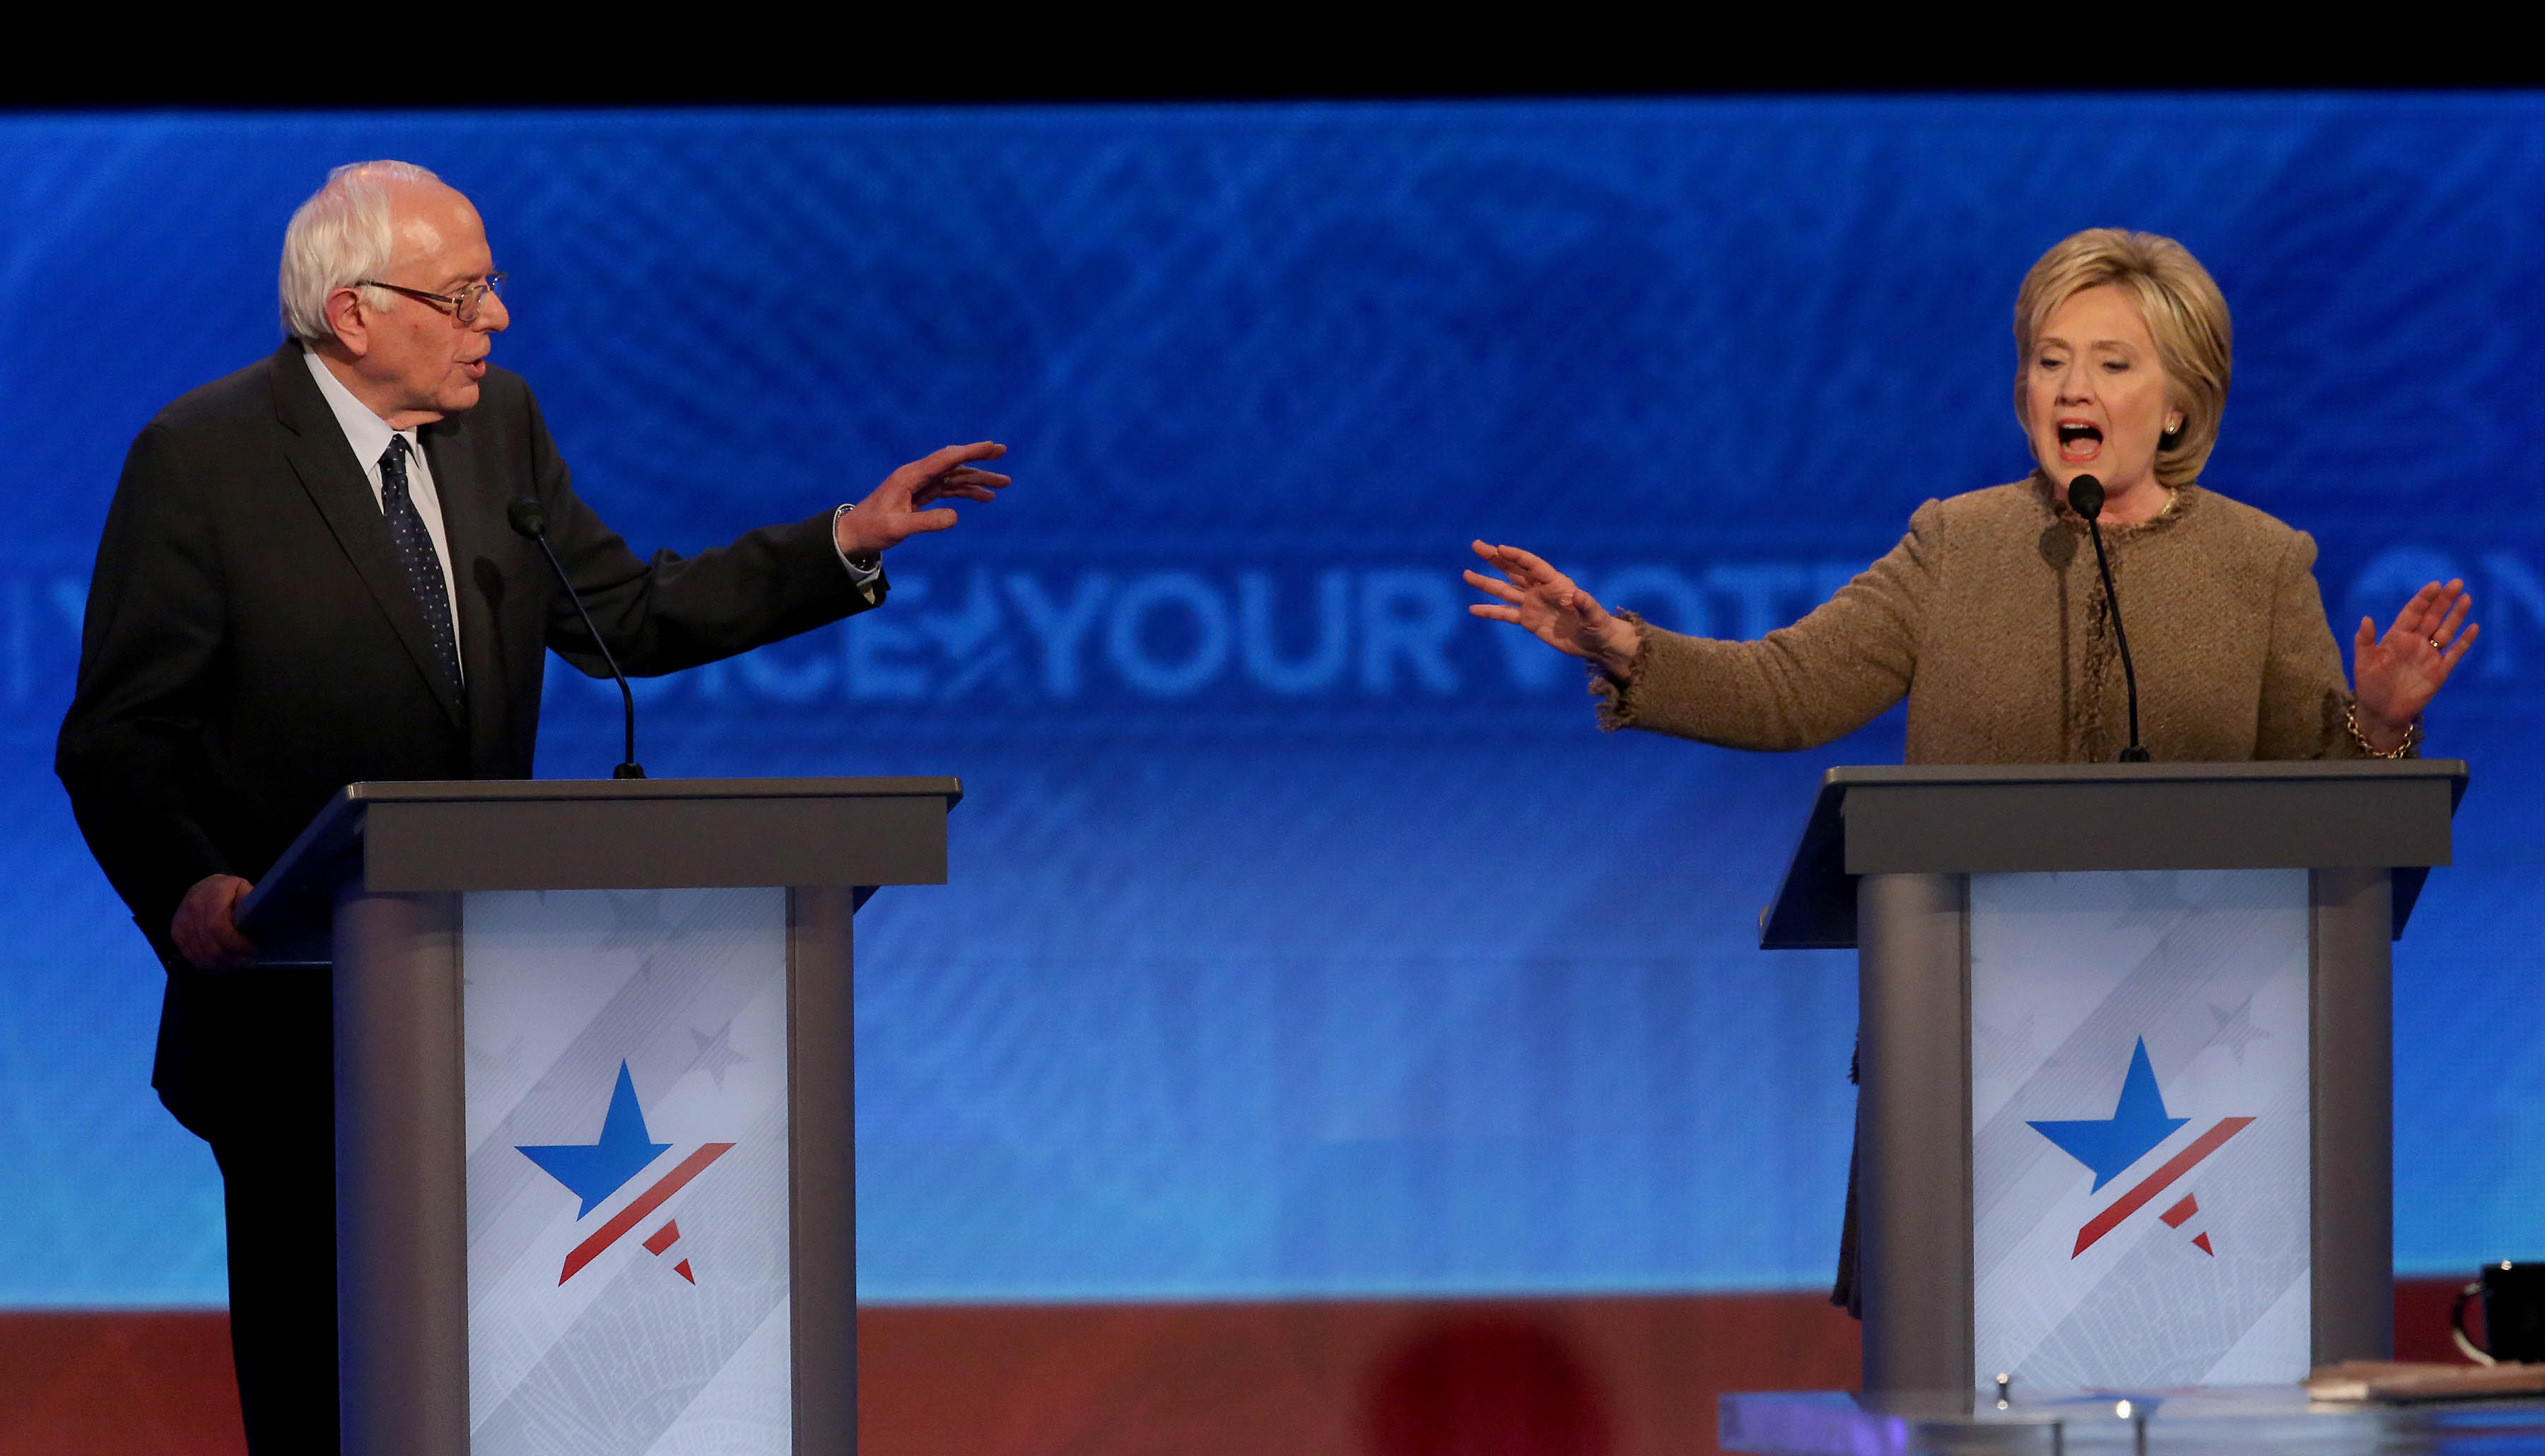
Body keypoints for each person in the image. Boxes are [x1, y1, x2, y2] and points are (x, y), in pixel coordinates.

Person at [53, 160, 1008, 1452]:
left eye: (489, 289)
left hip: (500, 1016)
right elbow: (117, 736)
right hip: (294, 1018)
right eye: (466, 295)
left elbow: (626, 615)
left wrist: (842, 541)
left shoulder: (498, 429)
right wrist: (189, 886)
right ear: (354, 313)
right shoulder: (203, 458)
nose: (496, 320)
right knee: (322, 1389)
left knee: (494, 1382)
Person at [1463, 227, 2476, 1308]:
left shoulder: (2262, 564)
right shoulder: (1956, 545)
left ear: (2180, 404)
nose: (2070, 386)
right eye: (2050, 360)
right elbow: (1789, 687)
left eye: (2111, 362)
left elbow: (2309, 817)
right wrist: (1619, 645)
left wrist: (2374, 723)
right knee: (1951, 1366)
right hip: (1964, 1042)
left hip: (2196, 1073)